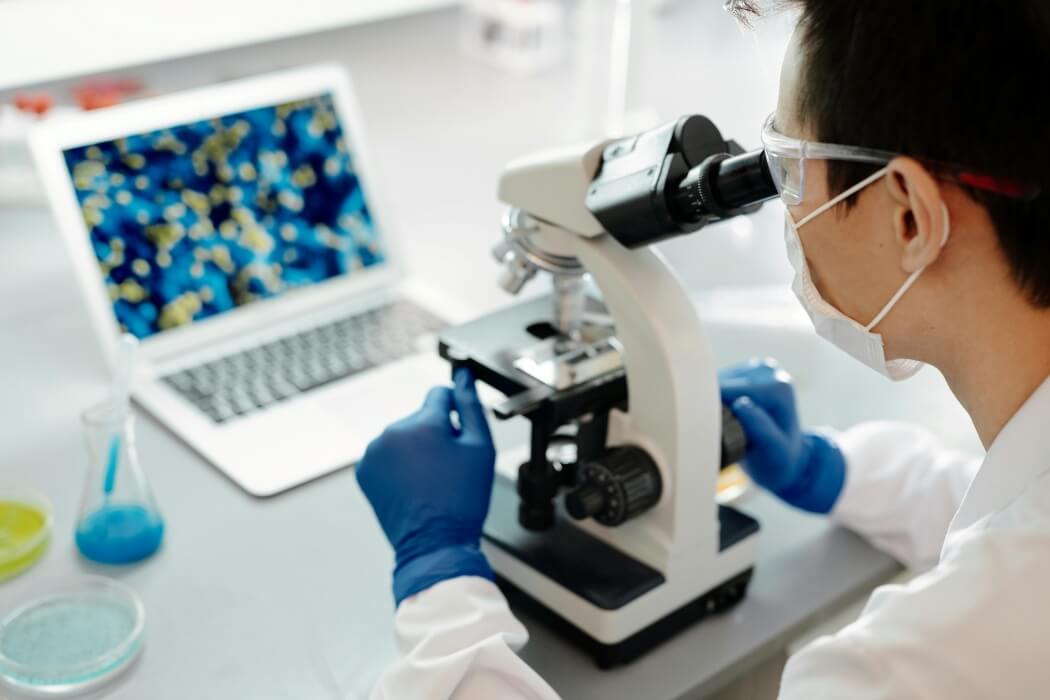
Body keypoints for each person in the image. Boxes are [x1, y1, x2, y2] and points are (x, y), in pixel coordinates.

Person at [355, 1, 1050, 697]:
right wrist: (832, 472)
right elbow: (1004, 529)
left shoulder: (881, 678)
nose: (784, 204)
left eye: (787, 168)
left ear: (907, 215)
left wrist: (437, 578)